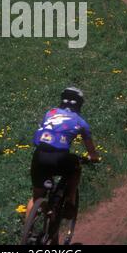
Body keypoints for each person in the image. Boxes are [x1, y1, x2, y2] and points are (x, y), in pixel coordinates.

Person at [26, 87, 99, 220]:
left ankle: (27, 234)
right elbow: (91, 152)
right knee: (75, 168)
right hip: (60, 158)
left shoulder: (50, 113)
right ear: (79, 104)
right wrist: (93, 157)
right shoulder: (81, 122)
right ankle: (70, 202)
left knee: (36, 197)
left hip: (39, 155)